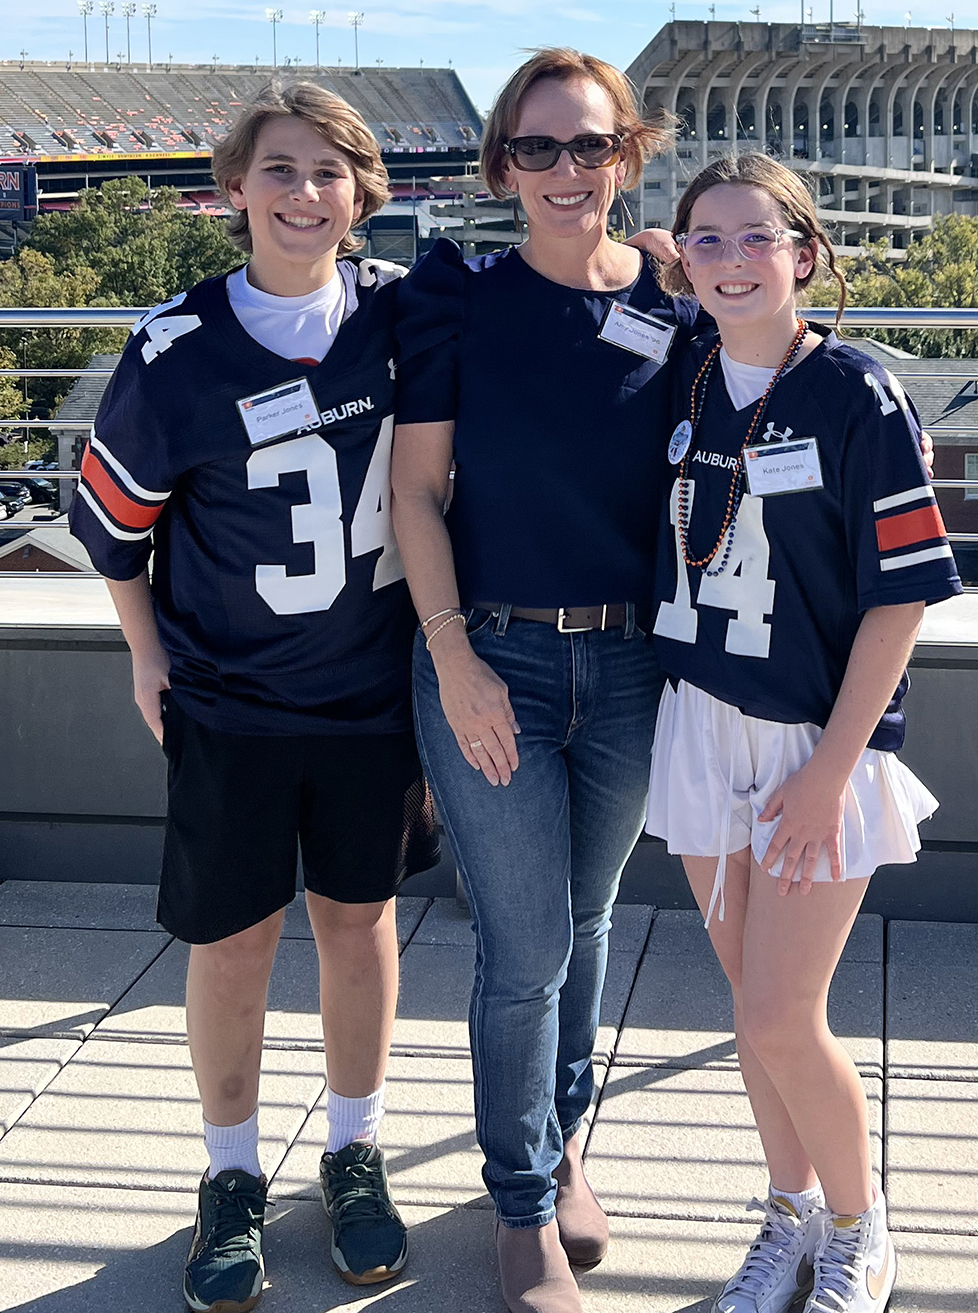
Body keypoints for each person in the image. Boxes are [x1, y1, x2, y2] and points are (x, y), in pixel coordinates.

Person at [69, 83, 438, 1313]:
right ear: (234, 188)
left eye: (328, 171)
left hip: (373, 693)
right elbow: (114, 526)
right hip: (230, 695)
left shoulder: (401, 313)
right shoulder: (176, 348)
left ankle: (352, 1144)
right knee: (234, 942)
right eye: (278, 168)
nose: (303, 192)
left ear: (363, 192)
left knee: (358, 922)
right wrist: (143, 653)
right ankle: (228, 1172)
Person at [390, 48, 694, 1313]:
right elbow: (415, 492)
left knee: (590, 921)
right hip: (493, 652)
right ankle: (521, 1202)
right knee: (522, 946)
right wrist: (454, 657)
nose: (566, 172)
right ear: (501, 164)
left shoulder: (679, 302)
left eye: (590, 146)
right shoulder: (462, 299)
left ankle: (564, 1139)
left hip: (631, 664)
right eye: (537, 148)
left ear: (629, 153)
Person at [646, 152, 961, 1313]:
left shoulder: (857, 393)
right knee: (751, 1011)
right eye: (706, 239)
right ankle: (789, 1217)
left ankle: (863, 1226)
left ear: (804, 254)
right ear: (680, 255)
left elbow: (903, 593)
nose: (731, 259)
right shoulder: (683, 377)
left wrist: (837, 764)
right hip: (698, 723)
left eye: (755, 237)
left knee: (785, 1011)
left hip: (811, 744)